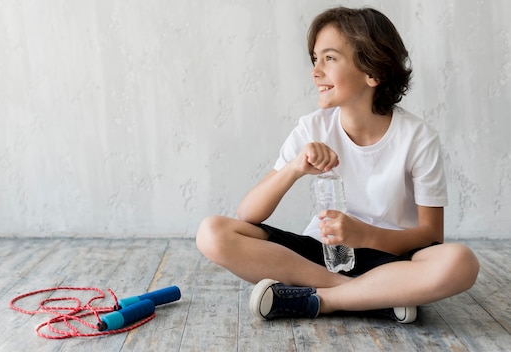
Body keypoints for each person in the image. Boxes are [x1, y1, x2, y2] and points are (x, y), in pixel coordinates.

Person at [195, 6, 479, 323]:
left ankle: (326, 300)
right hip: (320, 256)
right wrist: (295, 168)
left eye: (329, 58)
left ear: (374, 72)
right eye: (315, 59)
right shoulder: (311, 129)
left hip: (391, 258)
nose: (316, 71)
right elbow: (248, 214)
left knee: (461, 261)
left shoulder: (418, 138)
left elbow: (431, 235)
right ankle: (371, 297)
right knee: (212, 232)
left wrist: (365, 235)